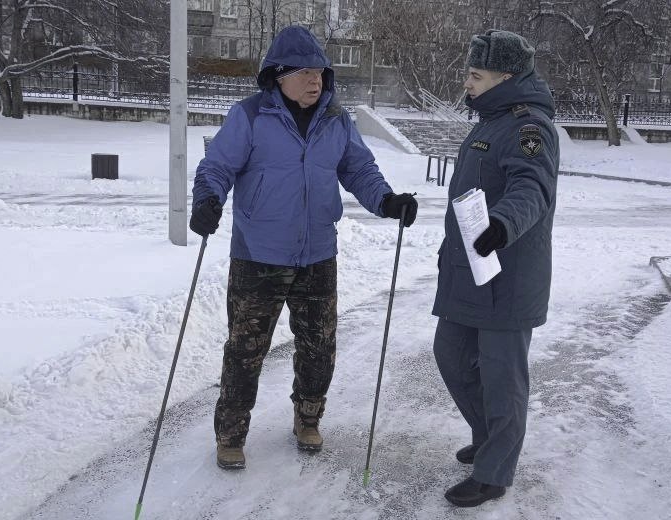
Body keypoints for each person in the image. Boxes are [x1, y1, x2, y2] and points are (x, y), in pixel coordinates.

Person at [190, 25, 418, 470]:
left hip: (317, 255)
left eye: (320, 72)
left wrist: (387, 201)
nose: (315, 80)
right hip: (258, 256)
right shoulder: (250, 116)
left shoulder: (337, 120)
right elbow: (217, 165)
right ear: (279, 75)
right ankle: (231, 435)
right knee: (245, 351)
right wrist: (208, 199)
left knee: (319, 346)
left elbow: (359, 170)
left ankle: (308, 419)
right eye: (304, 72)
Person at [431, 30, 559, 507]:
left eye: (475, 74)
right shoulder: (489, 119)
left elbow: (533, 188)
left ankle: (494, 473)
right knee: (451, 355)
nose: (467, 82)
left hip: (507, 276)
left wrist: (503, 225)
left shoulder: (530, 127)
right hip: (469, 272)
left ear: (506, 77)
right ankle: (488, 437)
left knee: (504, 380)